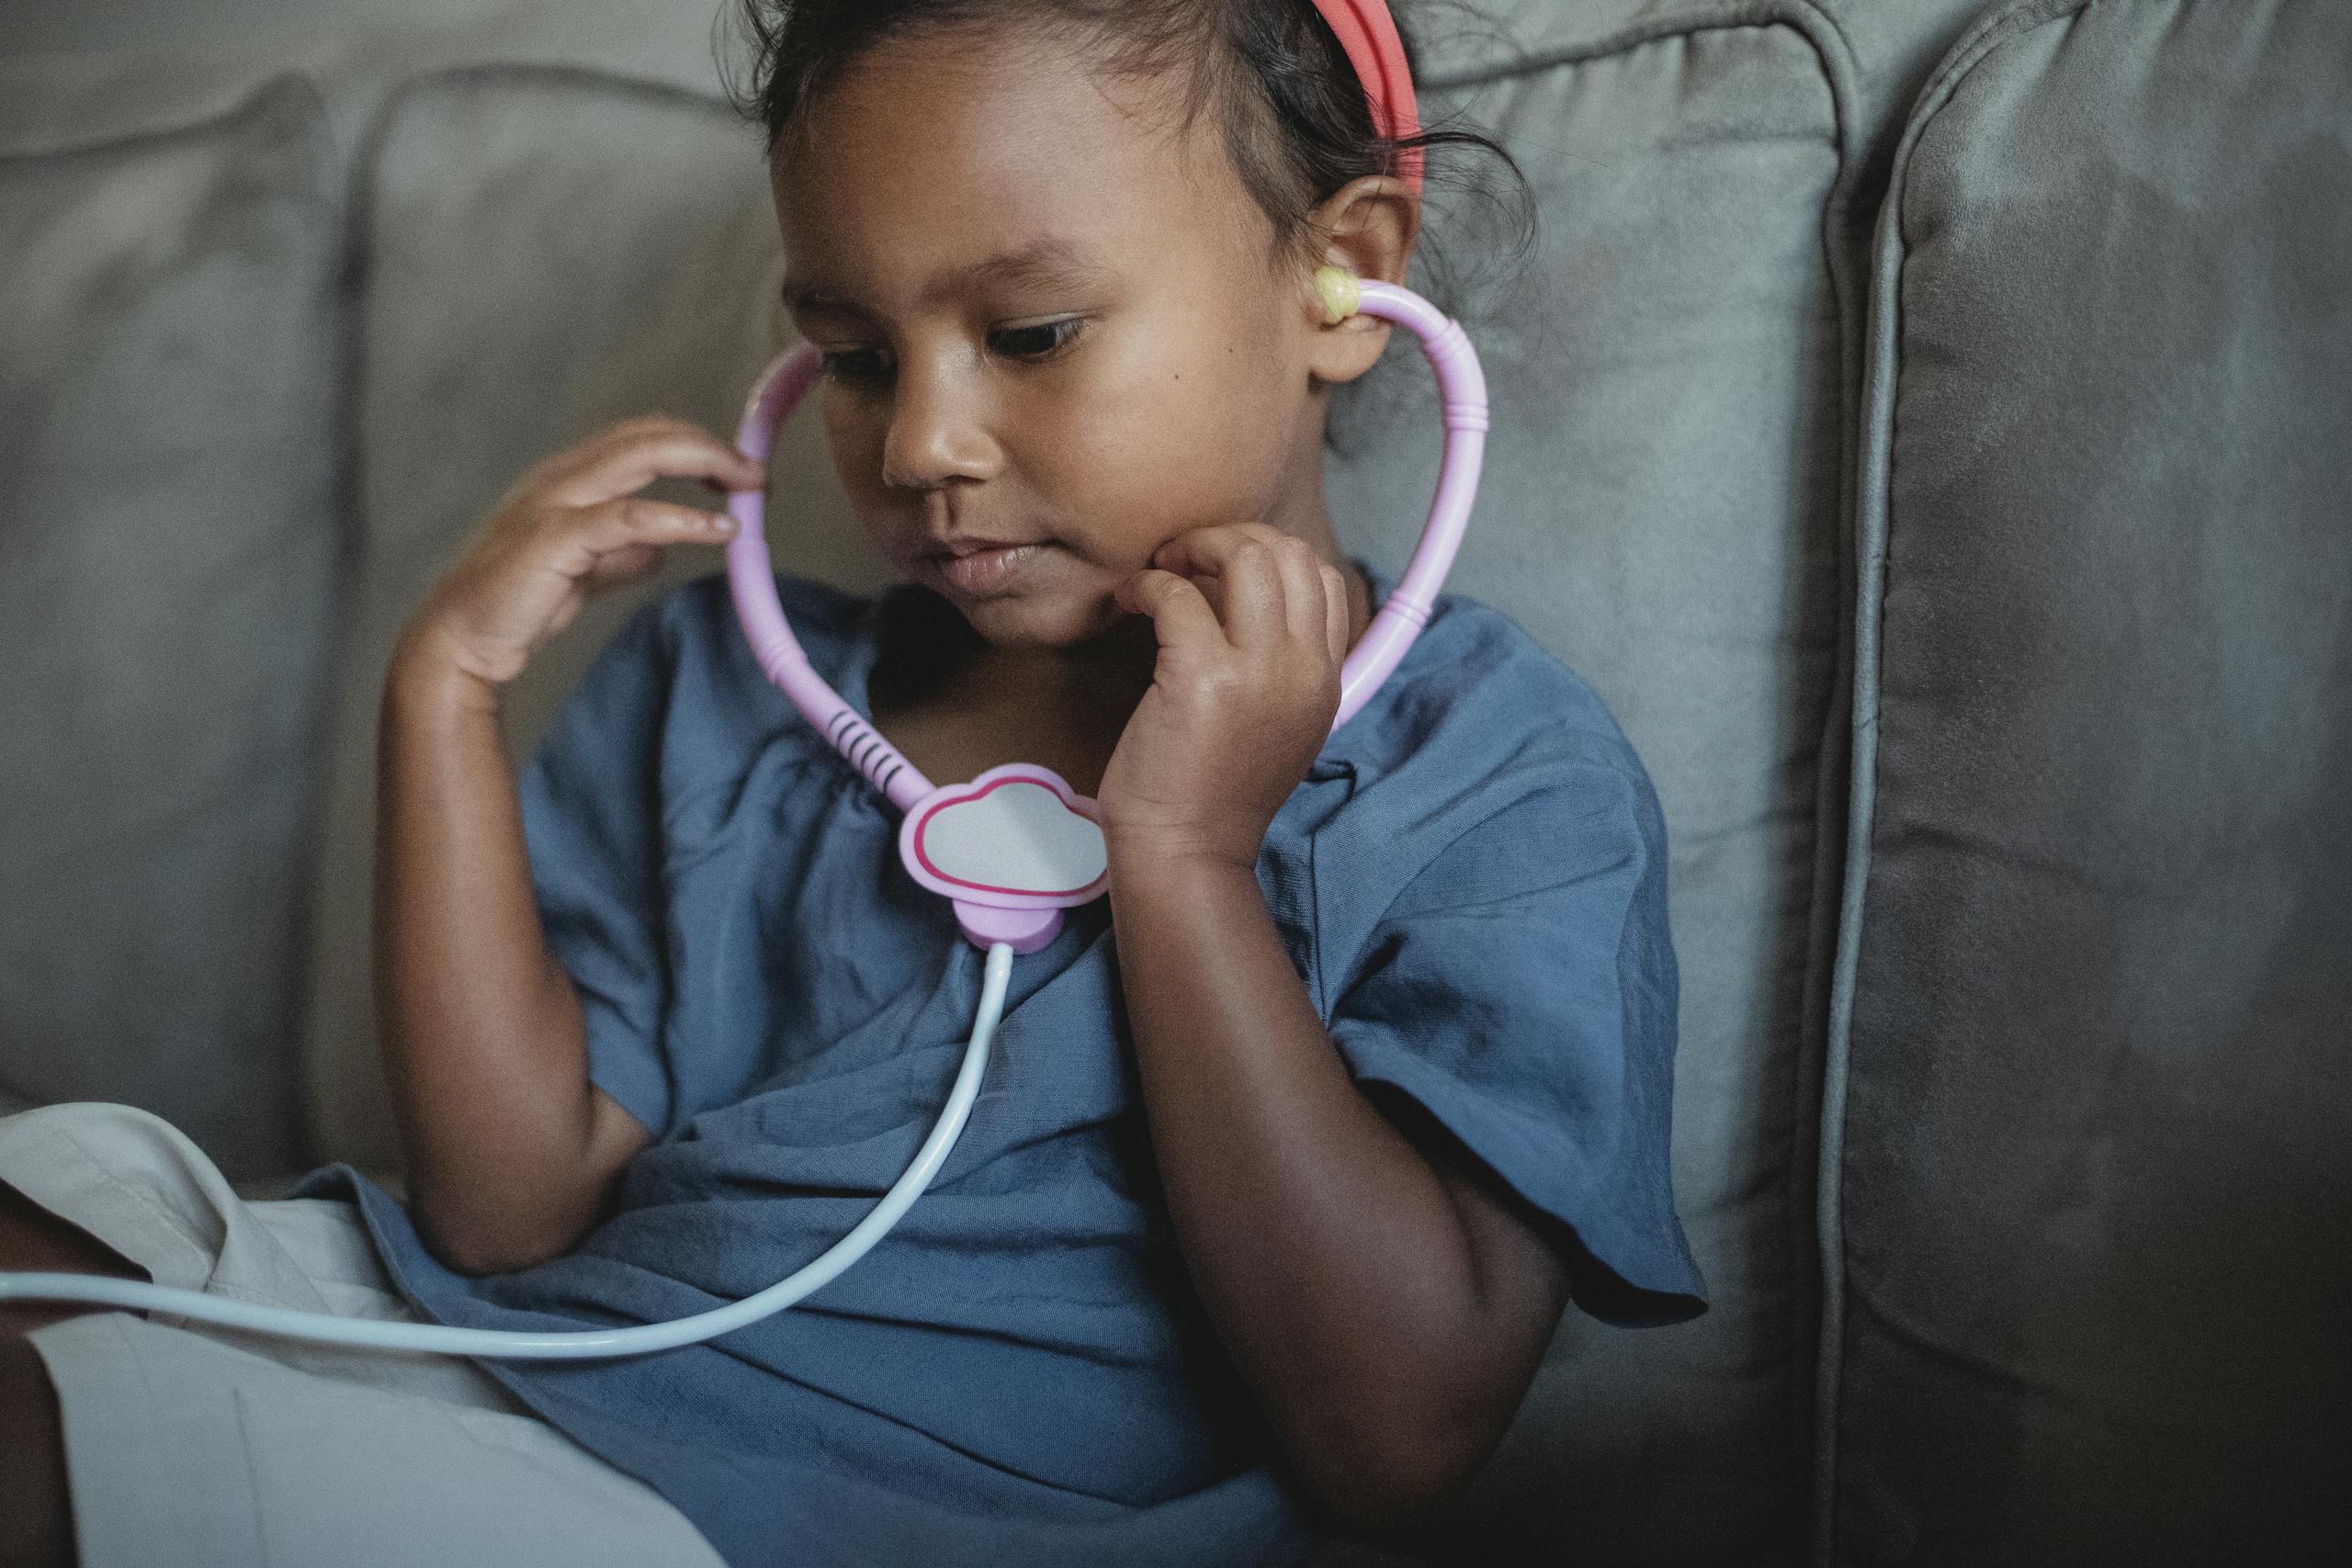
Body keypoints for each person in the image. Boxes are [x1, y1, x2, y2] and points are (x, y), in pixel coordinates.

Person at [0, 3, 1707, 1564]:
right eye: (860, 353)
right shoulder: (729, 699)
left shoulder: (1487, 781)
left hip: (794, 1516)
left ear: (1341, 276)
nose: (918, 448)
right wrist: (439, 699)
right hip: (528, 1353)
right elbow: (509, 1214)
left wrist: (1182, 855)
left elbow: (1398, 1438)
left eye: (1031, 332)